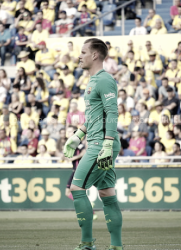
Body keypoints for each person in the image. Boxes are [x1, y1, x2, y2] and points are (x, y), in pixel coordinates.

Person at [62, 38, 122, 250]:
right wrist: (77, 135)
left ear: (95, 55)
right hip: (98, 141)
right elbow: (95, 116)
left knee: (77, 188)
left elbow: (113, 112)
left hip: (100, 144)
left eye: (83, 52)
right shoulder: (94, 80)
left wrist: (107, 142)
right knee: (106, 193)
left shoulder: (104, 79)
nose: (79, 56)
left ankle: (87, 244)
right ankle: (116, 246)